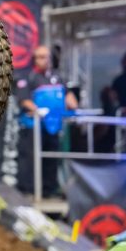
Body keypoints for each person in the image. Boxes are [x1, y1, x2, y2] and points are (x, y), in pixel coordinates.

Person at [16, 45, 78, 196]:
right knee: (30, 158)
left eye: (47, 57)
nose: (45, 60)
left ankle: (49, 190)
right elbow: (23, 99)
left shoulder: (57, 77)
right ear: (35, 59)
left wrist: (73, 106)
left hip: (53, 125)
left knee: (51, 158)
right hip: (33, 126)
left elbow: (69, 97)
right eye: (41, 57)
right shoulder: (28, 76)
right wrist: (37, 111)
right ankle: (28, 190)